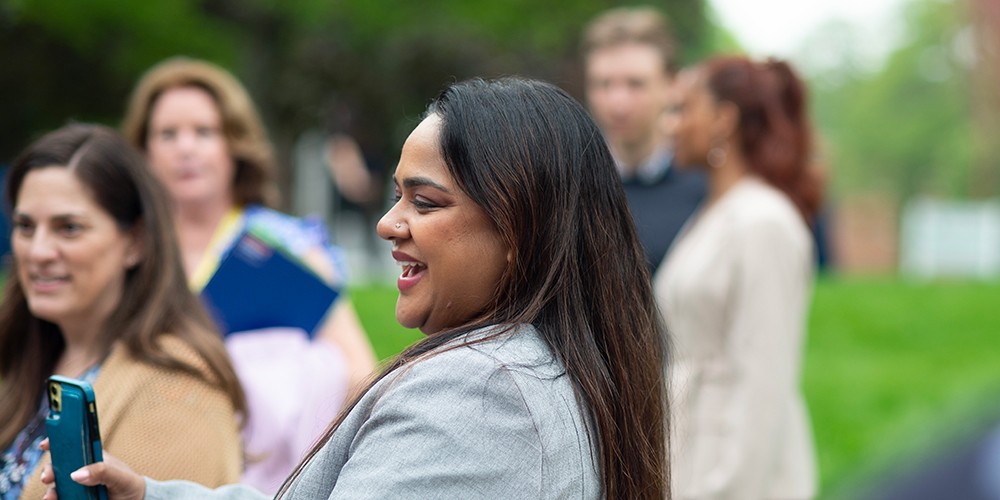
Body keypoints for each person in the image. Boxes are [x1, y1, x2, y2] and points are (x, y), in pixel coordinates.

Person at [41, 77, 670, 499]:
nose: (387, 223)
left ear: (517, 228)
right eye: (397, 195)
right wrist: (151, 493)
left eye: (424, 202)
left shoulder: (479, 397)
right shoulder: (523, 368)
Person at [119, 57, 378, 495]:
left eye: (204, 132)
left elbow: (359, 370)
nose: (186, 148)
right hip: (147, 456)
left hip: (276, 471)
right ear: (143, 150)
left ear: (233, 144)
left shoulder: (287, 244)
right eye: (167, 134)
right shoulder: (124, 250)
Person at [0, 124, 245, 499]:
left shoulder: (177, 389)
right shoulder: (20, 352)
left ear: (136, 241)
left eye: (69, 228)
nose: (39, 252)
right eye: (25, 226)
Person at [656, 56, 822, 499]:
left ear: (723, 120)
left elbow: (763, 382)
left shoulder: (763, 223)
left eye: (683, 109)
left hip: (731, 474)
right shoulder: (714, 215)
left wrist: (725, 489)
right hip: (689, 455)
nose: (670, 126)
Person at [581, 6, 707, 275]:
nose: (617, 103)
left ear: (673, 85)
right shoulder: (571, 182)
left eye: (635, 84)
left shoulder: (706, 187)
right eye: (603, 84)